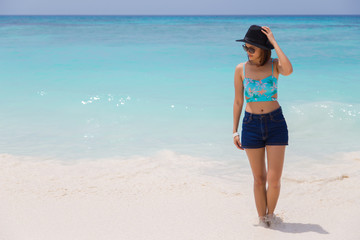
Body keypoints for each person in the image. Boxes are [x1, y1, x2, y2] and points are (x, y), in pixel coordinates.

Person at [232, 25, 293, 227]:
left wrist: (274, 42)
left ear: (263, 50)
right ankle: (263, 220)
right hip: (250, 125)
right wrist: (234, 131)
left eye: (252, 48)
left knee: (274, 180)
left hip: (275, 123)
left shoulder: (275, 65)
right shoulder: (240, 69)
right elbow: (238, 101)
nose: (248, 52)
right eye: (246, 48)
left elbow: (289, 70)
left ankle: (270, 216)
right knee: (259, 179)